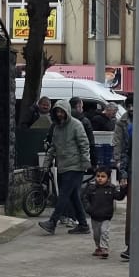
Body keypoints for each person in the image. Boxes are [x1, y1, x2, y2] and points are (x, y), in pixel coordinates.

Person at [41, 103, 94, 235]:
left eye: (62, 111)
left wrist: (85, 163)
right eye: (57, 111)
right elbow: (53, 147)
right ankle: (83, 225)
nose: (59, 114)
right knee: (73, 196)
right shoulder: (57, 128)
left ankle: (52, 222)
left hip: (76, 166)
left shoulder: (76, 125)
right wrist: (46, 164)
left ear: (67, 111)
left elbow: (84, 144)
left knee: (64, 195)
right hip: (63, 166)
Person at [83, 167, 122, 259]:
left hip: (106, 216)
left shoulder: (111, 188)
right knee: (96, 234)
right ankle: (98, 247)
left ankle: (104, 248)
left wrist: (123, 189)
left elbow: (119, 197)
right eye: (98, 176)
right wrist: (88, 208)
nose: (100, 178)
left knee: (104, 232)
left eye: (103, 176)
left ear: (108, 178)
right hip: (94, 215)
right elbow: (85, 198)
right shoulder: (91, 188)